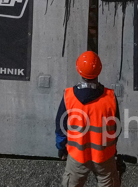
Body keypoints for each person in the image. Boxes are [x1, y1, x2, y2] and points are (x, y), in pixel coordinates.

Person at [55, 51, 120, 187]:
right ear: (99, 70)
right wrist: (113, 148)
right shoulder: (110, 97)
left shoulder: (69, 97)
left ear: (79, 70)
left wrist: (61, 148)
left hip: (77, 156)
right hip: (104, 156)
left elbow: (60, 128)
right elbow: (116, 129)